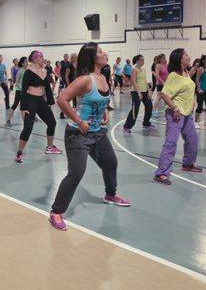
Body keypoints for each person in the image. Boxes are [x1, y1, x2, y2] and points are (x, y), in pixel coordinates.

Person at [49, 42, 130, 231]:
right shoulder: (85, 79)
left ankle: (110, 194)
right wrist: (78, 120)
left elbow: (99, 101)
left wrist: (104, 113)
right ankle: (56, 212)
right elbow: (61, 100)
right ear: (93, 57)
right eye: (101, 51)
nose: (105, 53)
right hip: (78, 134)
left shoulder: (103, 76)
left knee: (111, 163)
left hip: (98, 133)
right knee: (76, 172)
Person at [153, 48, 202, 185]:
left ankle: (188, 163)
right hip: (176, 114)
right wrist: (175, 108)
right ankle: (161, 173)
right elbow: (164, 94)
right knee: (171, 143)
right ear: (179, 58)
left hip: (187, 114)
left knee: (193, 139)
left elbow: (188, 88)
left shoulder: (186, 73)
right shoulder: (173, 75)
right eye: (186, 55)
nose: (189, 57)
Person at [15, 50, 62, 163]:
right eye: (41, 58)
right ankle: (19, 152)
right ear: (35, 59)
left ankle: (49, 147)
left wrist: (51, 102)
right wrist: (23, 108)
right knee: (28, 127)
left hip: (41, 100)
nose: (43, 59)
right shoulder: (29, 72)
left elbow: (47, 88)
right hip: (30, 100)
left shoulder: (45, 71)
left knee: (52, 122)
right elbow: (24, 90)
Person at [123, 54, 153, 132]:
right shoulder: (134, 70)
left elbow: (145, 81)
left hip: (145, 92)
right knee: (135, 109)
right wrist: (139, 92)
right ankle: (127, 126)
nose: (143, 62)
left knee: (149, 106)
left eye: (143, 60)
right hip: (136, 92)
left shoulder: (143, 70)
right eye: (141, 60)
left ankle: (146, 122)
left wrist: (149, 91)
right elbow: (133, 81)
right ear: (137, 61)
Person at [6, 56, 27, 126]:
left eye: (27, 61)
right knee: (15, 104)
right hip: (19, 90)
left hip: (25, 91)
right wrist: (21, 89)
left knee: (24, 106)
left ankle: (25, 122)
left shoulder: (27, 70)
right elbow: (17, 82)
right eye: (26, 62)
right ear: (23, 63)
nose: (27, 63)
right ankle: (8, 120)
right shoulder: (20, 71)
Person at [61, 53, 78, 119]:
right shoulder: (69, 65)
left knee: (75, 99)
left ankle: (75, 113)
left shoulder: (77, 65)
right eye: (75, 57)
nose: (76, 58)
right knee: (67, 99)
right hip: (70, 84)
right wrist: (68, 85)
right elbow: (66, 76)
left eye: (76, 57)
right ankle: (62, 113)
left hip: (75, 84)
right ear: (72, 58)